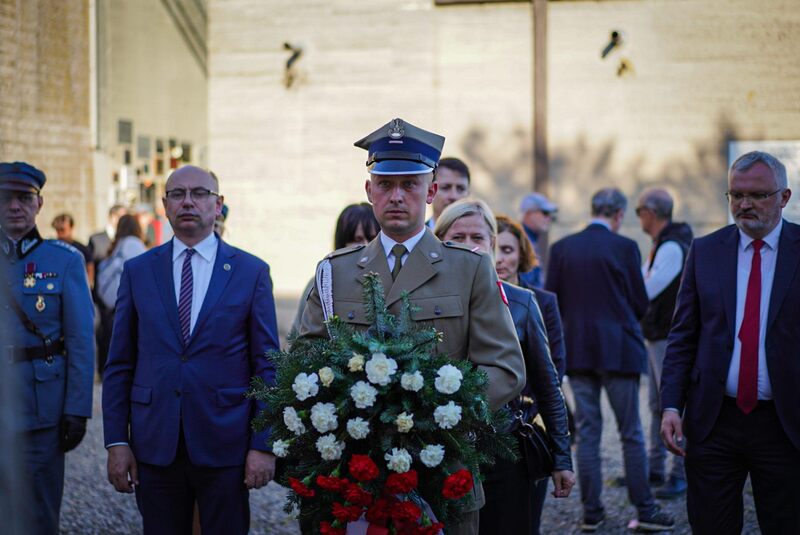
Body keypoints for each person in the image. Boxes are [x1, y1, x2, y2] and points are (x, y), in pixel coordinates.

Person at [298, 118, 526, 535]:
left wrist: (443, 413)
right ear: (369, 192)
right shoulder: (336, 273)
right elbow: (303, 362)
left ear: (432, 192)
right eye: (385, 185)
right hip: (354, 473)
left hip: (443, 470)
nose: (397, 196)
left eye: (410, 184)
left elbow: (505, 366)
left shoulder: (469, 268)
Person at [102, 165, 280, 535]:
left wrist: (263, 445)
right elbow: (120, 363)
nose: (188, 202)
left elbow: (267, 365)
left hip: (225, 442)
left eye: (199, 193)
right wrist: (117, 441)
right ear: (165, 205)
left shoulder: (250, 272)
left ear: (218, 205)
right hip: (155, 444)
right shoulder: (138, 272)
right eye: (178, 194)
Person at [661, 151, 800, 534]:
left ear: (784, 197)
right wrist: (671, 405)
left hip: (786, 424)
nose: (744, 204)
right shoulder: (705, 251)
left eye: (757, 195)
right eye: (735, 195)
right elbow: (682, 335)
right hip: (713, 420)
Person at [433, 199, 574, 534]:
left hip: (506, 451)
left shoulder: (522, 302)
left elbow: (548, 384)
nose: (469, 246)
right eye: (457, 237)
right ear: (439, 243)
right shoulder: (426, 304)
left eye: (477, 238)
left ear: (492, 245)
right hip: (441, 451)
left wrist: (562, 458)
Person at [546, 188, 674, 532]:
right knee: (630, 432)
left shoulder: (561, 248)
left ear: (593, 209)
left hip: (578, 349)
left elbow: (551, 301)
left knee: (588, 433)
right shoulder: (626, 247)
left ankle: (592, 513)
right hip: (620, 349)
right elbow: (640, 301)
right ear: (618, 215)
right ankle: (645, 510)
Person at [0, 162, 94, 534]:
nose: (14, 207)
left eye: (24, 198)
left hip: (41, 410)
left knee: (38, 513)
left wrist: (77, 409)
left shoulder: (65, 261)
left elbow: (81, 342)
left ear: (39, 205)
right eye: (5, 198)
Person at [494, 214, 568, 534]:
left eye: (508, 250)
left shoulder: (539, 302)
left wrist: (526, 414)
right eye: (494, 248)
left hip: (524, 428)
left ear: (522, 255)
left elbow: (554, 369)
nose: (499, 258)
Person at [634, 188, 693, 499]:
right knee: (657, 404)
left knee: (671, 404)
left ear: (651, 213)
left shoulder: (671, 246)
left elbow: (646, 291)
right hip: (658, 335)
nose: (637, 216)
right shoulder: (663, 243)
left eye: (638, 210)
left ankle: (678, 473)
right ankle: (656, 469)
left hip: (668, 337)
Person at [291, 202, 379, 334]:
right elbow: (299, 338)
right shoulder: (320, 285)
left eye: (372, 238)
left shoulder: (392, 281)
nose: (365, 246)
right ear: (342, 242)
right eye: (357, 239)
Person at [518, 192, 557, 288]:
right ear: (529, 213)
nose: (549, 218)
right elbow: (524, 284)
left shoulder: (530, 238)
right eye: (545, 213)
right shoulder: (521, 240)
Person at [425, 156, 470, 229]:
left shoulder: (477, 239)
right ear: (430, 192)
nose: (453, 196)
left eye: (460, 189)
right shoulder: (415, 238)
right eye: (445, 188)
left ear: (468, 194)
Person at [51, 213, 93, 283]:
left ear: (71, 228)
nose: (59, 233)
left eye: (62, 229)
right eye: (57, 230)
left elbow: (90, 274)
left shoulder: (82, 249)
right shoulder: (52, 249)